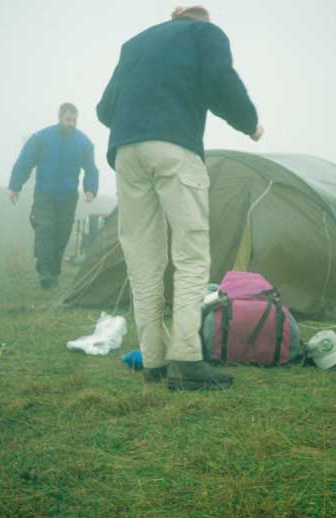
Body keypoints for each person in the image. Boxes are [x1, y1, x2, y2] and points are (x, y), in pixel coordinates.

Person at [97, 6, 263, 390]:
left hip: (126, 152)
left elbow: (106, 109)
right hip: (174, 148)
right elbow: (220, 81)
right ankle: (187, 359)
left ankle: (154, 359)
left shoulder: (134, 44)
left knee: (143, 258)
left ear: (174, 15)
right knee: (190, 254)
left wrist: (137, 119)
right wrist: (249, 122)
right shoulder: (205, 34)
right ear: (198, 18)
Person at [9, 103, 99, 289]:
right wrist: (15, 186)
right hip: (45, 194)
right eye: (68, 120)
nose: (71, 124)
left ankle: (53, 272)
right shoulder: (42, 138)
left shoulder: (83, 143)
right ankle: (45, 273)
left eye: (74, 120)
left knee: (62, 234)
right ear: (60, 118)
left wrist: (90, 189)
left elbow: (91, 169)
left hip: (68, 197)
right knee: (45, 229)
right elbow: (25, 161)